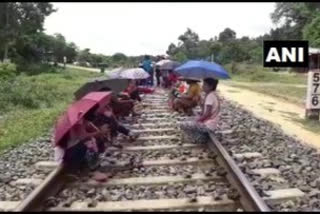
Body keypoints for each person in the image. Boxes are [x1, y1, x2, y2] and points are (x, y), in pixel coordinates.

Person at [180, 78, 220, 144]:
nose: (202, 86)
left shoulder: (210, 96)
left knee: (183, 124)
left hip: (209, 125)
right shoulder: (213, 94)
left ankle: (198, 139)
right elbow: (205, 111)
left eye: (205, 85)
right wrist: (201, 104)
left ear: (211, 86)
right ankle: (201, 136)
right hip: (211, 123)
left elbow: (206, 114)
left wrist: (198, 120)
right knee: (190, 119)